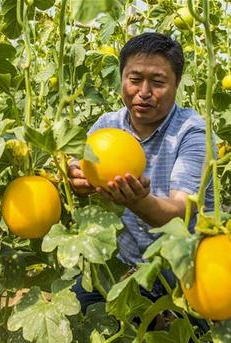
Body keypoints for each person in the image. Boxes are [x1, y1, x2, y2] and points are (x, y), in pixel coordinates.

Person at [68, 32, 214, 309]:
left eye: (158, 82)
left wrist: (137, 202)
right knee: (82, 311)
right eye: (134, 80)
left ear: (176, 84)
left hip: (181, 263)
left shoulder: (193, 132)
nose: (143, 93)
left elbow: (178, 215)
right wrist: (76, 175)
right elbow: (76, 162)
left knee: (201, 334)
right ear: (122, 78)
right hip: (123, 265)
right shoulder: (106, 125)